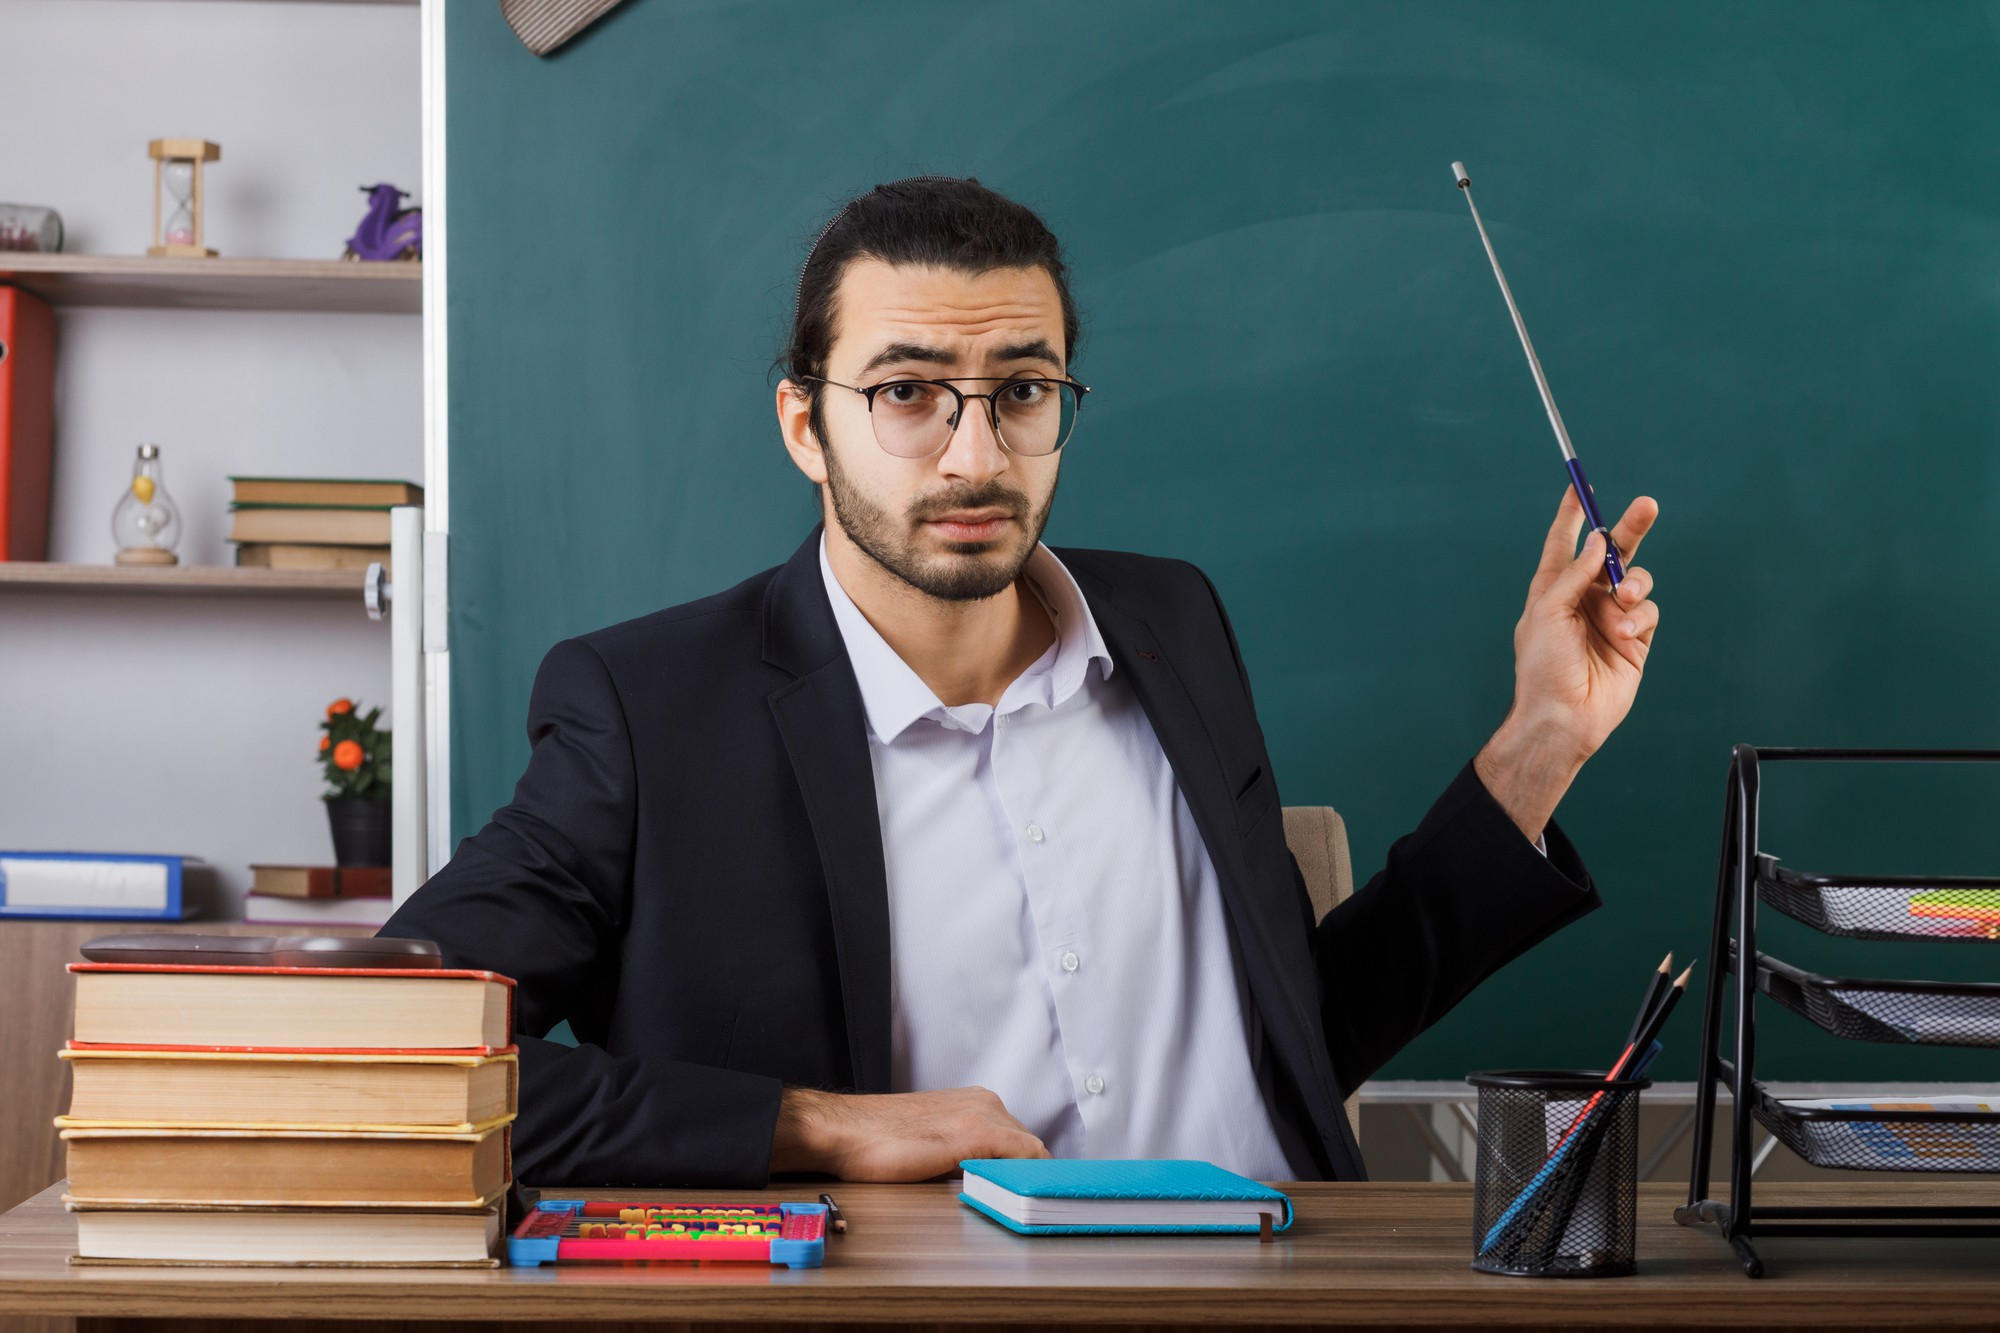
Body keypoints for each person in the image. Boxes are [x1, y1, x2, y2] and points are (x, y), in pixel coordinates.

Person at [379, 176, 1660, 1188]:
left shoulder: (1171, 621)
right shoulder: (649, 710)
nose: (975, 455)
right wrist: (814, 1125)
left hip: (1287, 1283)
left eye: (1022, 390)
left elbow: (1291, 1034)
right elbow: (387, 1047)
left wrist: (1541, 737)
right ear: (803, 426)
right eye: (906, 393)